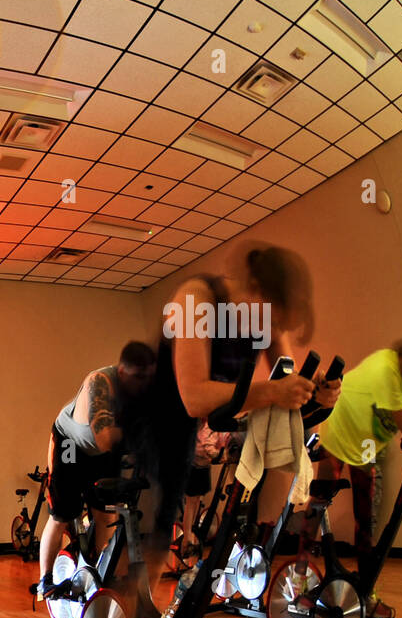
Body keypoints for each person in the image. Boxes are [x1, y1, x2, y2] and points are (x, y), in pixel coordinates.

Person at [141, 241, 340, 589]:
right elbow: (194, 396)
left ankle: (236, 555)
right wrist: (275, 391)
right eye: (273, 318)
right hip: (162, 415)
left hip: (212, 421)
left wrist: (316, 393)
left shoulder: (263, 314)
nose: (270, 329)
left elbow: (285, 387)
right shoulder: (197, 299)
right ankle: (135, 605)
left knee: (273, 452)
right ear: (256, 290)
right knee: (163, 515)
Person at [36, 341, 157, 598]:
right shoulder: (100, 381)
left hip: (103, 452)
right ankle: (45, 582)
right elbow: (104, 438)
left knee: (106, 515)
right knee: (62, 514)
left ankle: (100, 574)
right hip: (70, 443)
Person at [311, 338, 402, 618]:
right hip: (339, 432)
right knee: (320, 505)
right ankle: (300, 579)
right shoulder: (389, 370)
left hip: (364, 445)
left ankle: (365, 595)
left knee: (366, 519)